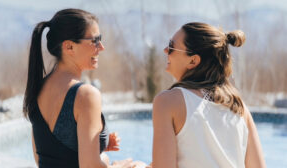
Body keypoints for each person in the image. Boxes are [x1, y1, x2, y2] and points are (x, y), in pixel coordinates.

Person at [23, 8, 134, 168]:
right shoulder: (86, 94)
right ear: (69, 47)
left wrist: (98, 147)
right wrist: (120, 166)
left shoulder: (38, 89)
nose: (101, 47)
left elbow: (42, 158)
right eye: (95, 41)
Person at [151, 22, 266, 168]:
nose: (165, 50)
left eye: (171, 46)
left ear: (193, 60)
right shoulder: (240, 108)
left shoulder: (167, 102)